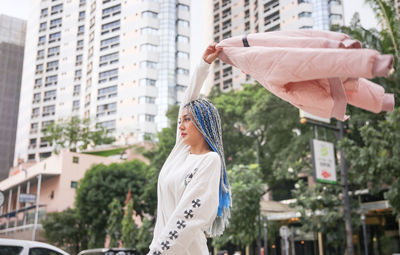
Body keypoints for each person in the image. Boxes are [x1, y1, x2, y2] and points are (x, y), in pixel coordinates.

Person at [147, 43, 231, 255]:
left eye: (188, 120)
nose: (181, 126)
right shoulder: (180, 154)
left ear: (203, 125)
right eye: (180, 121)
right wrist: (203, 65)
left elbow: (188, 215)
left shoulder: (210, 161)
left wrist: (157, 251)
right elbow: (187, 100)